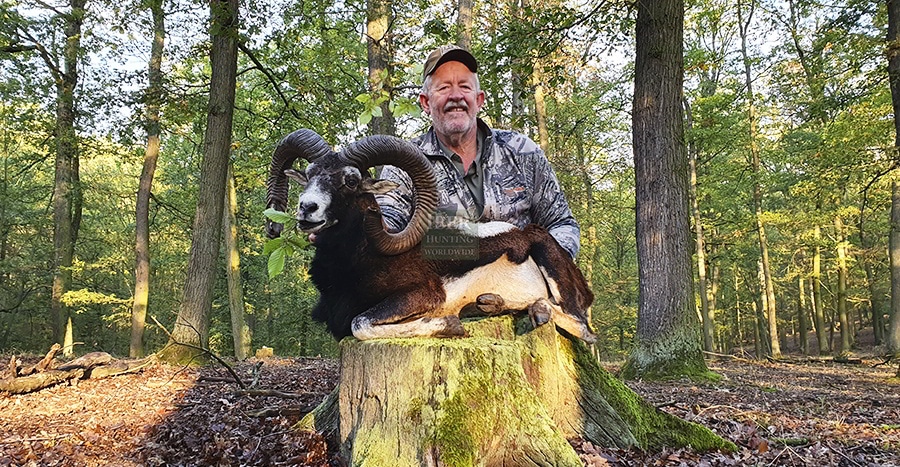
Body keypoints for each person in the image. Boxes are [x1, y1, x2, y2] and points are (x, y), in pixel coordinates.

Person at [376, 45, 581, 259]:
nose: (456, 96)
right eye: (443, 88)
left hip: (523, 286)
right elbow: (386, 235)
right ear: (426, 103)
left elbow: (562, 224)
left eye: (464, 87)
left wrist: (545, 267)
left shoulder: (522, 152)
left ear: (479, 100)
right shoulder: (403, 165)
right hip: (442, 289)